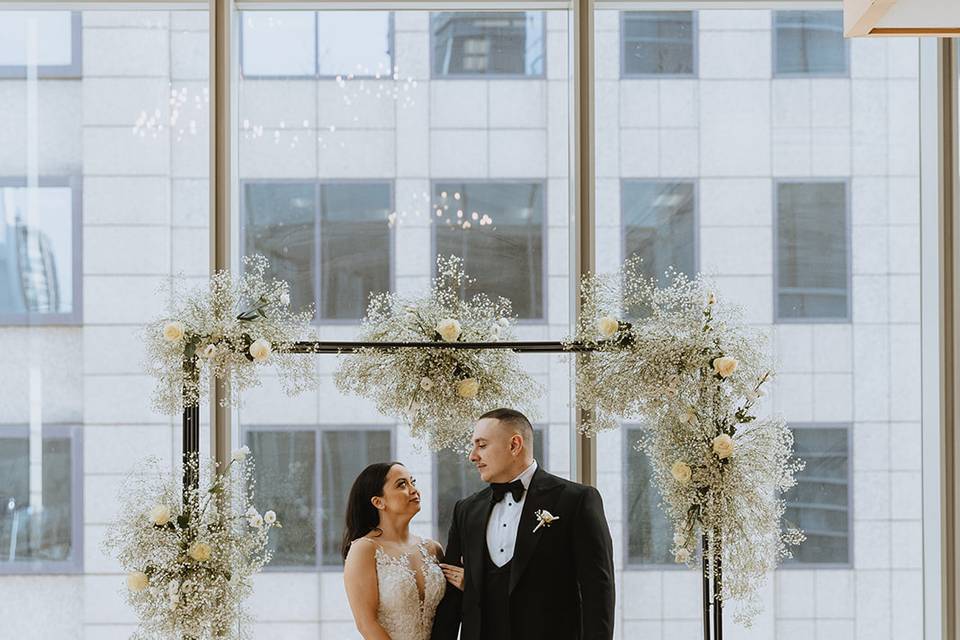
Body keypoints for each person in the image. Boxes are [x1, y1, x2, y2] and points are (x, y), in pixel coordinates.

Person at [432, 408, 616, 640]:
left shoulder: (575, 500)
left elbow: (598, 590)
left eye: (482, 445)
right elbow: (452, 598)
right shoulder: (466, 510)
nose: (472, 456)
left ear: (514, 445)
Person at [342, 461, 450, 640]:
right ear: (378, 502)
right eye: (402, 485)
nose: (413, 490)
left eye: (412, 482)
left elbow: (450, 612)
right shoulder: (364, 549)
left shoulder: (433, 549)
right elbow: (366, 623)